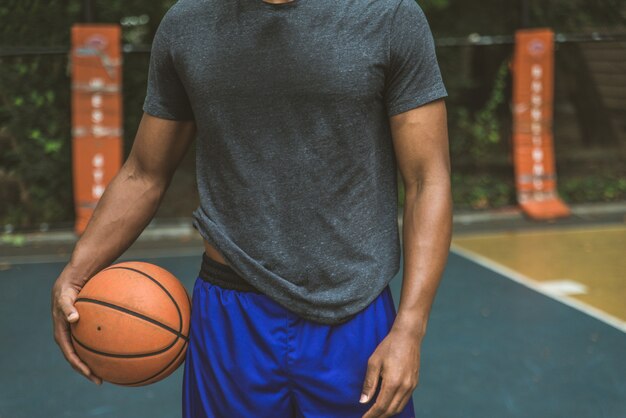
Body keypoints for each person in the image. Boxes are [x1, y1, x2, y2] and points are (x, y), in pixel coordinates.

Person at [51, 0, 452, 416]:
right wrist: (75, 273)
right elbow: (144, 173)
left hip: (351, 311)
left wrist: (409, 328)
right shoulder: (187, 25)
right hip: (230, 315)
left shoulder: (388, 15)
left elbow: (428, 180)